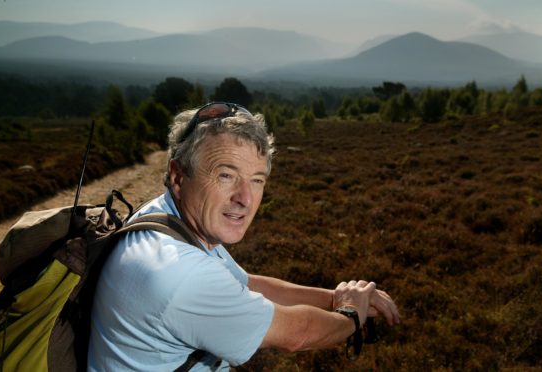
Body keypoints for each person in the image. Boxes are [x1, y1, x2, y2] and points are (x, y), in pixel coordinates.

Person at [87, 102, 400, 371]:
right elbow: (297, 335)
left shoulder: (165, 217)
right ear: (178, 175)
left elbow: (246, 284)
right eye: (226, 175)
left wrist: (334, 298)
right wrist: (350, 316)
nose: (245, 199)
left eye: (256, 180)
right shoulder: (182, 274)